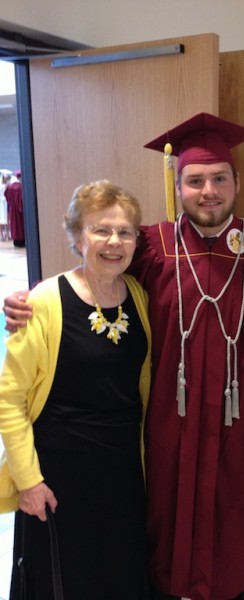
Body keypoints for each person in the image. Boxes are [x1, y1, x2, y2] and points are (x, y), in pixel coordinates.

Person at [3, 113, 244, 600]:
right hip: (166, 433)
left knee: (228, 541)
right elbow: (92, 278)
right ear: (177, 185)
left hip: (235, 430)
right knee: (154, 543)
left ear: (237, 182)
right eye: (195, 180)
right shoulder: (154, 249)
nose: (208, 191)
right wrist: (25, 301)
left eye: (219, 178)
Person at [0, 180, 152, 599]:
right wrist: (28, 481)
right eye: (100, 229)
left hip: (123, 473)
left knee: (118, 575)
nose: (114, 242)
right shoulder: (44, 302)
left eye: (124, 232)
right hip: (59, 479)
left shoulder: (137, 295)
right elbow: (9, 399)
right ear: (76, 236)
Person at [4, 169, 25, 247]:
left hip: (12, 209)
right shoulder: (21, 187)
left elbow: (6, 195)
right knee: (20, 226)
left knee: (14, 225)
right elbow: (22, 200)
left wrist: (11, 203)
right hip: (19, 210)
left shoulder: (10, 186)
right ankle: (21, 241)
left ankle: (15, 241)